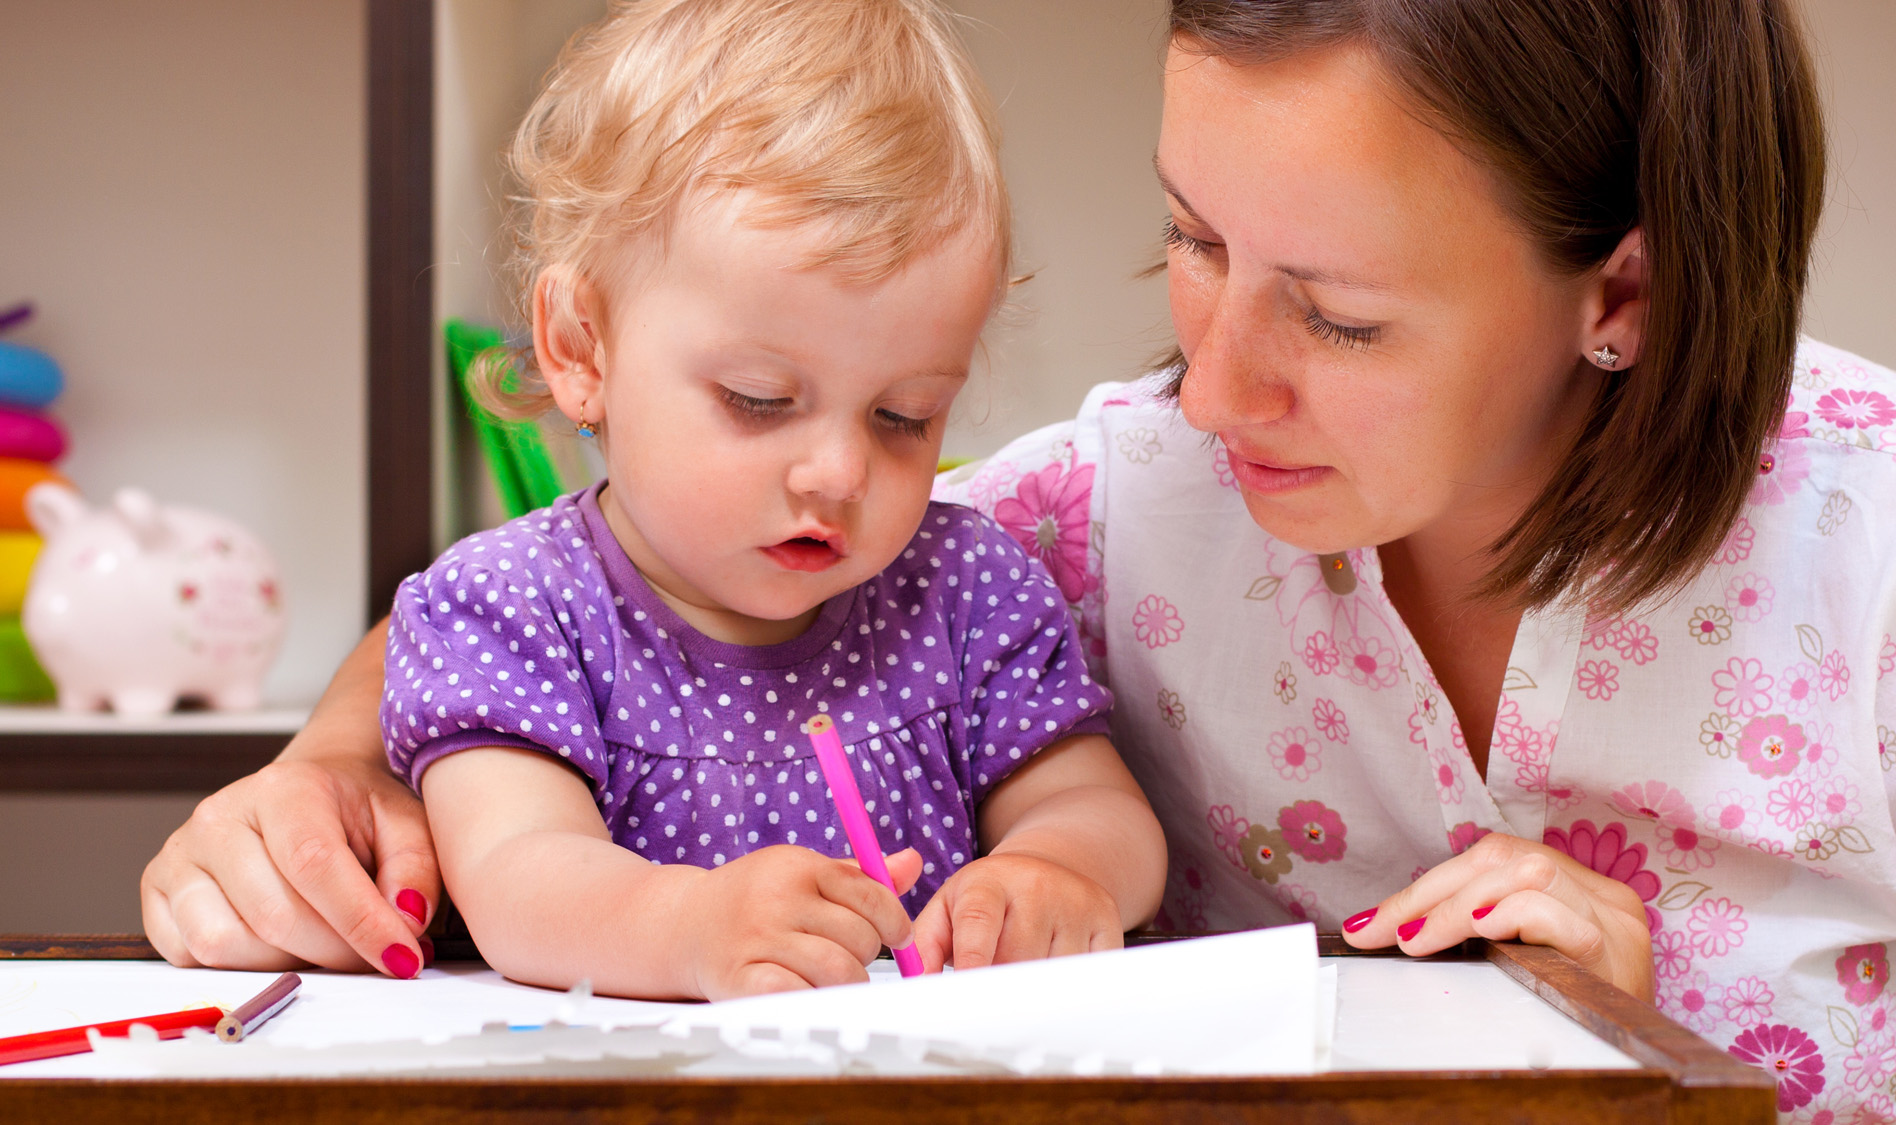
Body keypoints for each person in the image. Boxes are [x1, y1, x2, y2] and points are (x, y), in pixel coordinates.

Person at [145, 0, 1884, 1114]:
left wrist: (1624, 1079)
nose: (1205, 384)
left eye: (1341, 320)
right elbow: (577, 588)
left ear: (1624, 295)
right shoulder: (1105, 512)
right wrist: (326, 770)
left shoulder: (1864, 551)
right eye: (1191, 241)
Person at [160, 0, 1168, 1002]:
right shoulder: (510, 610)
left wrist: (1060, 873)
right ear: (579, 349)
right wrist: (688, 929)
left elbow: (1093, 805)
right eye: (759, 401)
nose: (839, 473)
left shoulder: (966, 588)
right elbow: (519, 872)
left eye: (903, 416)